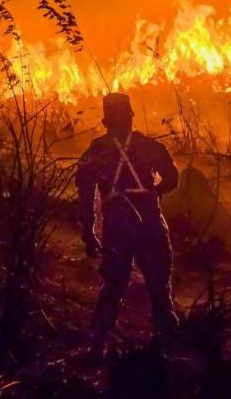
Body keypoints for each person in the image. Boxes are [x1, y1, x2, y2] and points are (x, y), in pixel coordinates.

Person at [76, 93, 180, 357]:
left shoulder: (96, 151)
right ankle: (163, 350)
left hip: (119, 228)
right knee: (158, 289)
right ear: (131, 117)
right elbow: (172, 178)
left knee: (115, 287)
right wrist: (153, 193)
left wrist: (89, 232)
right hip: (149, 224)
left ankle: (97, 347)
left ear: (105, 122)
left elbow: (85, 196)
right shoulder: (147, 147)